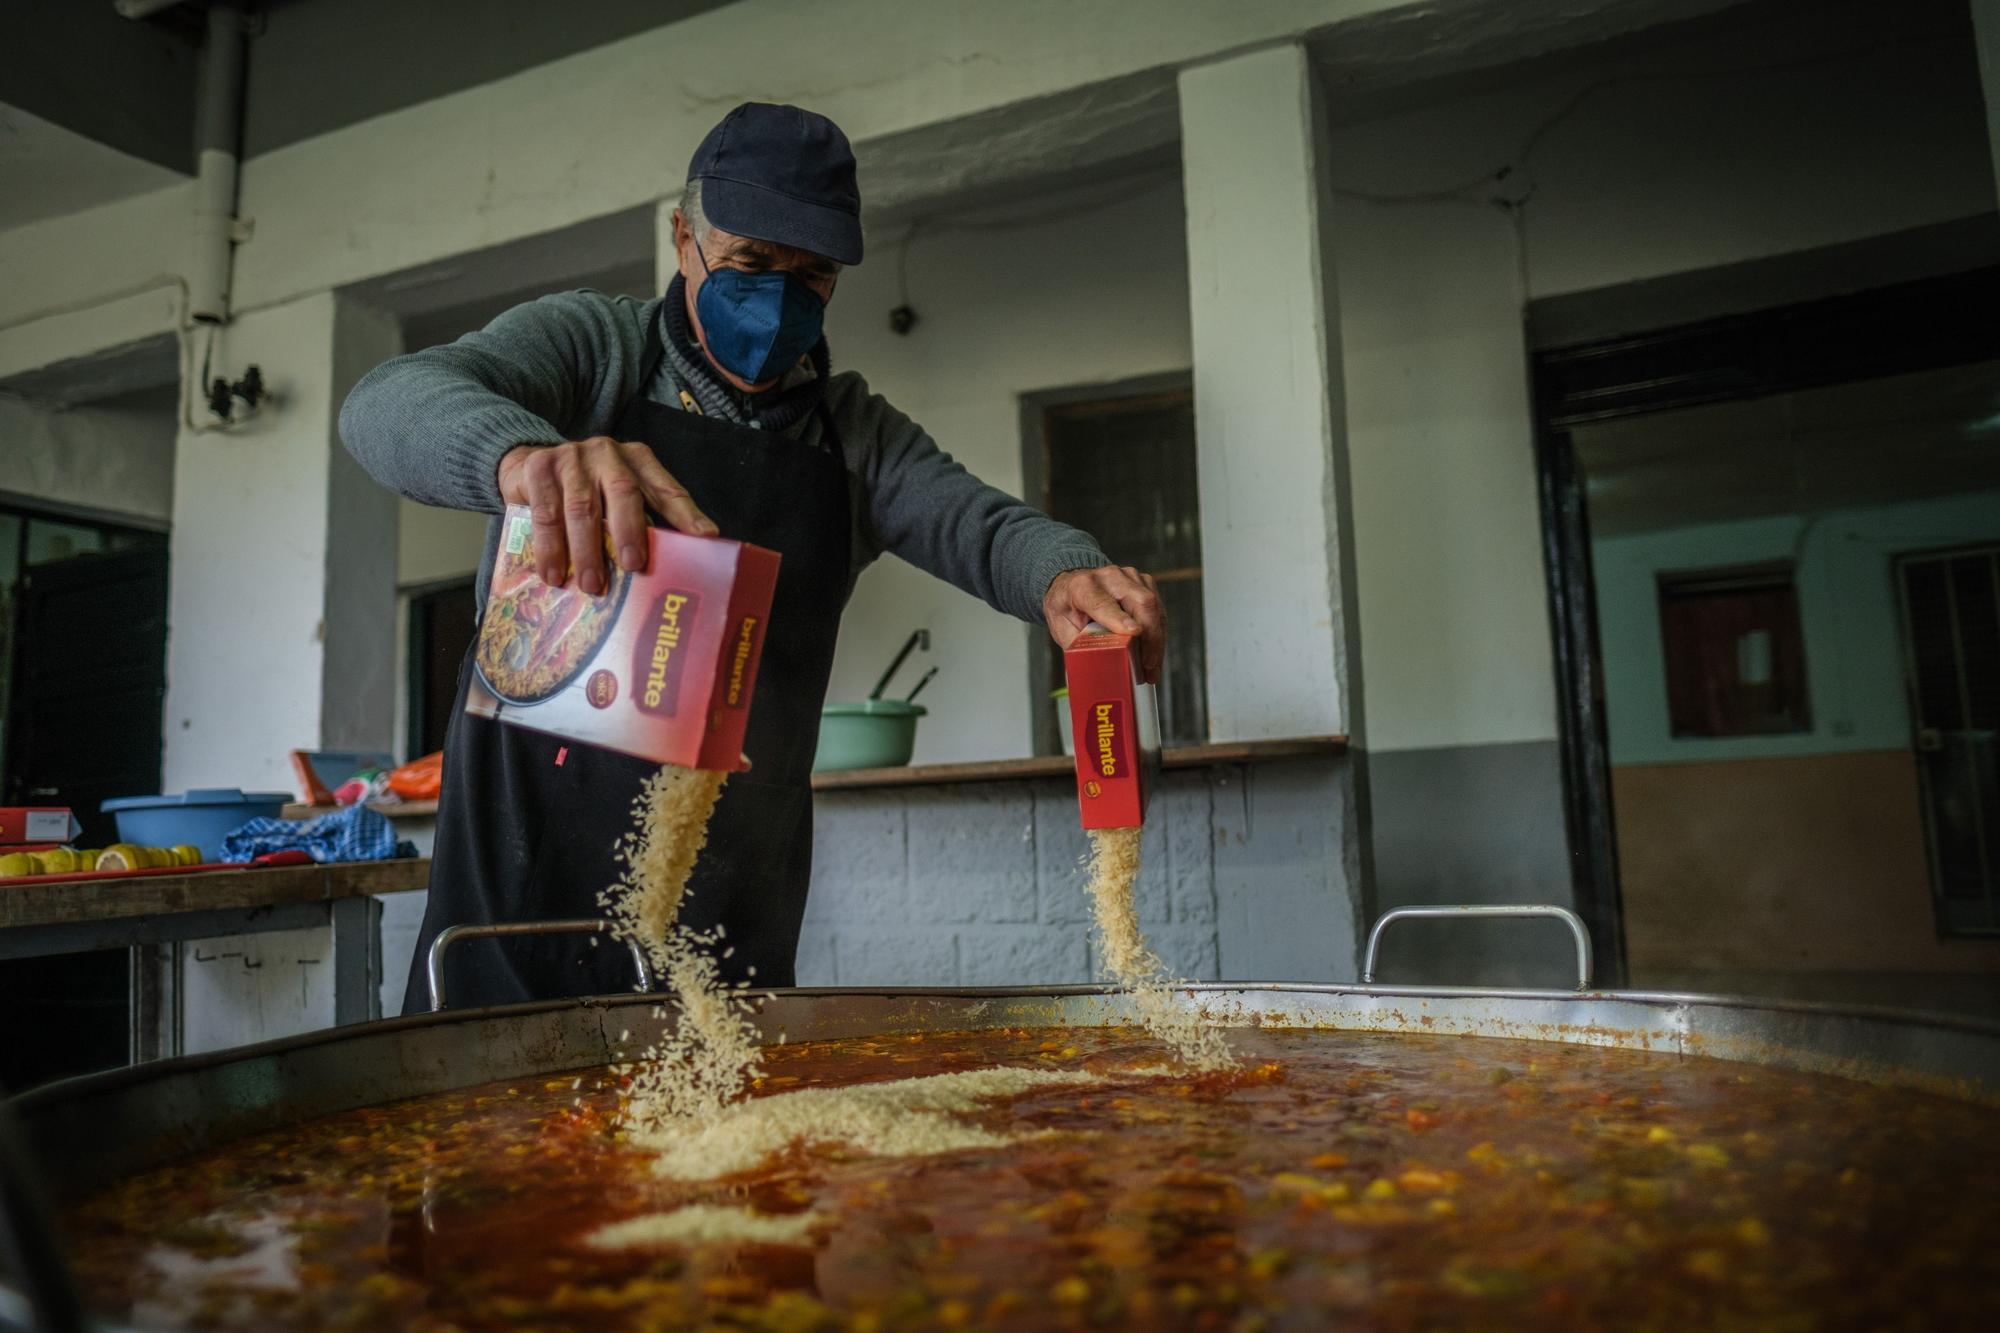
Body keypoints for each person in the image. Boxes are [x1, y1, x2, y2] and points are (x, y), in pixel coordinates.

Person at [341, 102, 1166, 1012]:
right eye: (750, 264)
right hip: (515, 891)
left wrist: (1066, 569)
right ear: (682, 237)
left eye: (811, 276)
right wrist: (525, 459)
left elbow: (985, 526)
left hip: (729, 916)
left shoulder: (853, 436)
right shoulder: (593, 354)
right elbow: (386, 402)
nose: (777, 299)